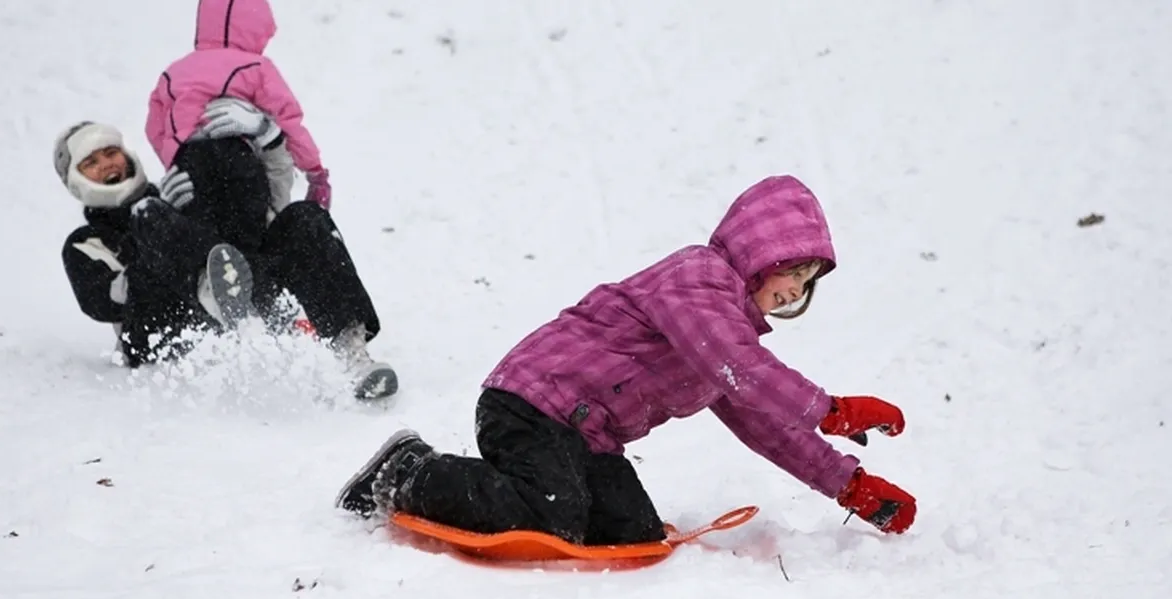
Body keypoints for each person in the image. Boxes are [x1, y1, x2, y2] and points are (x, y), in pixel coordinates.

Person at [336, 175, 917, 544]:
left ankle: (510, 488)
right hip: (532, 403)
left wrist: (849, 485)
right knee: (550, 516)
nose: (795, 290)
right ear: (761, 254)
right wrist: (832, 409)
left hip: (588, 436)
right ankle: (408, 469)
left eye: (807, 281)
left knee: (629, 533)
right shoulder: (698, 281)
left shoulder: (730, 343)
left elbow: (765, 421)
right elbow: (745, 371)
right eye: (793, 271)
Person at [56, 117, 396, 399]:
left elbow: (260, 223)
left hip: (233, 296)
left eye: (110, 152)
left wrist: (261, 144)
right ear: (77, 180)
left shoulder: (172, 194)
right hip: (158, 331)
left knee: (302, 218)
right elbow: (109, 301)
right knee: (151, 214)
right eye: (91, 163)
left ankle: (349, 351)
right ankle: (212, 288)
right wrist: (168, 226)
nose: (107, 165)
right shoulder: (86, 242)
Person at [144, 0, 330, 255]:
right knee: (249, 218)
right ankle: (251, 266)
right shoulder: (257, 67)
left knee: (200, 221)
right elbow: (288, 119)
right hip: (236, 154)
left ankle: (213, 271)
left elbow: (154, 128)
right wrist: (314, 171)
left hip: (189, 159)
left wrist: (173, 158)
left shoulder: (173, 72)